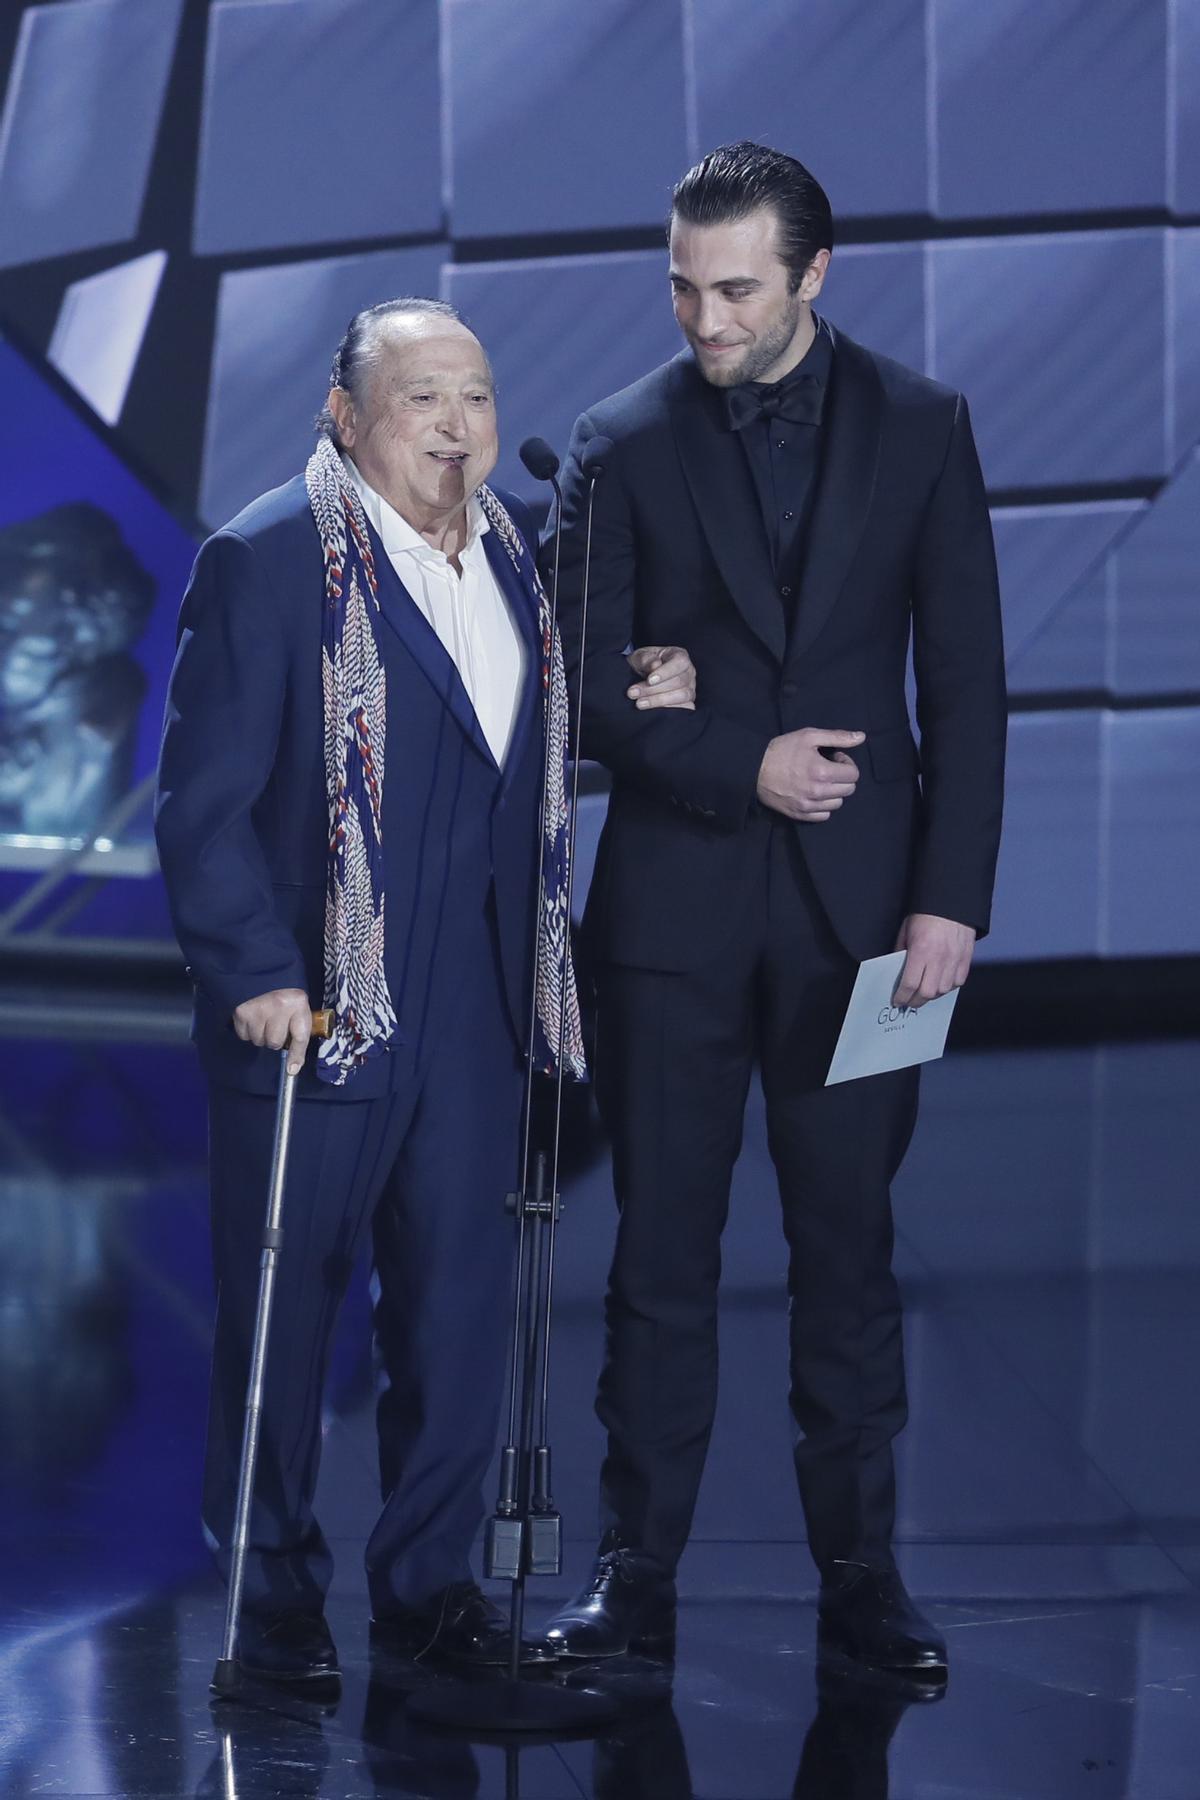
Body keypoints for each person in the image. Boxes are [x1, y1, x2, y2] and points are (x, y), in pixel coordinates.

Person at [155, 297, 696, 1686]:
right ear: (348, 417)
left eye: (475, 398)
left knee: (457, 1312)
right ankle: (271, 1599)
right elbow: (202, 809)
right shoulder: (271, 560)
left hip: (477, 1014)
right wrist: (258, 976)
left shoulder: (518, 565)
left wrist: (646, 679)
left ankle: (431, 1586)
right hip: (321, 1013)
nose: (457, 429)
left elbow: (517, 757)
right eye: (422, 401)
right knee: (288, 1315)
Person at [542, 144, 1006, 1677]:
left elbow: (972, 685)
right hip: (671, 928)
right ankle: (635, 1573)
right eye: (682, 285)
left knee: (851, 1250)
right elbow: (584, 694)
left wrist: (953, 905)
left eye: (734, 288)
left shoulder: (927, 426)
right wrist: (739, 754)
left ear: (815, 274)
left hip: (873, 929)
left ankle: (864, 1577)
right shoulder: (617, 444)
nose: (704, 318)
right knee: (659, 1261)